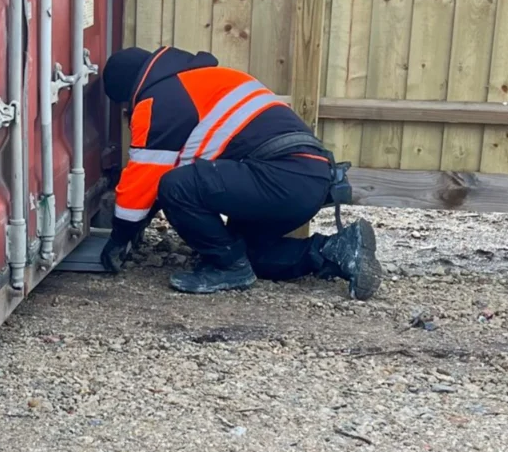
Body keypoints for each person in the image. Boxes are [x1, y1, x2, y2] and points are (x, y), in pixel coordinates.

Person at [100, 45, 383, 300]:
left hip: (281, 176)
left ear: (129, 93)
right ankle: (337, 250)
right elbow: (163, 169)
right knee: (245, 252)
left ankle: (228, 268)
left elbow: (144, 179)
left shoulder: (158, 101)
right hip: (305, 176)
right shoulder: (200, 80)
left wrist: (119, 237)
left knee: (176, 187)